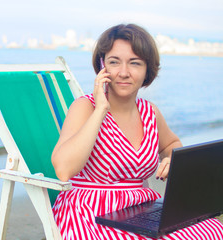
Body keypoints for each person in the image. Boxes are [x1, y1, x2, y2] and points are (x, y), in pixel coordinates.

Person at [51, 24, 223, 239]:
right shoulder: (86, 107)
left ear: (147, 70)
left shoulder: (150, 112)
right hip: (90, 211)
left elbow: (171, 145)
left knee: (211, 228)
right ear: (102, 66)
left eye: (135, 63)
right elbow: (63, 169)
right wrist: (101, 110)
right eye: (114, 62)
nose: (123, 72)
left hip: (140, 208)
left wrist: (172, 159)